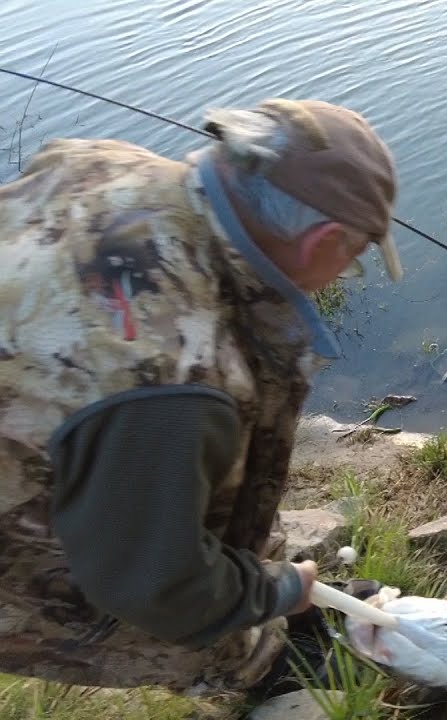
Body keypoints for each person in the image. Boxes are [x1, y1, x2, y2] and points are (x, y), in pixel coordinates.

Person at [0, 97, 402, 696]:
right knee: (183, 614)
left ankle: (269, 598)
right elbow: (158, 585)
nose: (344, 274)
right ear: (324, 241)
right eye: (354, 259)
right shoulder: (174, 382)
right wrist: (283, 591)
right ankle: (256, 667)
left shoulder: (97, 161)